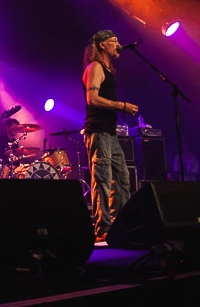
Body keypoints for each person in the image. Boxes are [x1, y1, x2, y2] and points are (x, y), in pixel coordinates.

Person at [82, 30, 139, 243]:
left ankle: (119, 225)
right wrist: (122, 106)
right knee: (102, 179)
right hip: (98, 131)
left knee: (122, 178)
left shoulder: (107, 69)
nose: (118, 43)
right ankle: (103, 227)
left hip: (109, 132)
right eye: (113, 40)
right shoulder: (95, 67)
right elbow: (92, 99)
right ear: (102, 45)